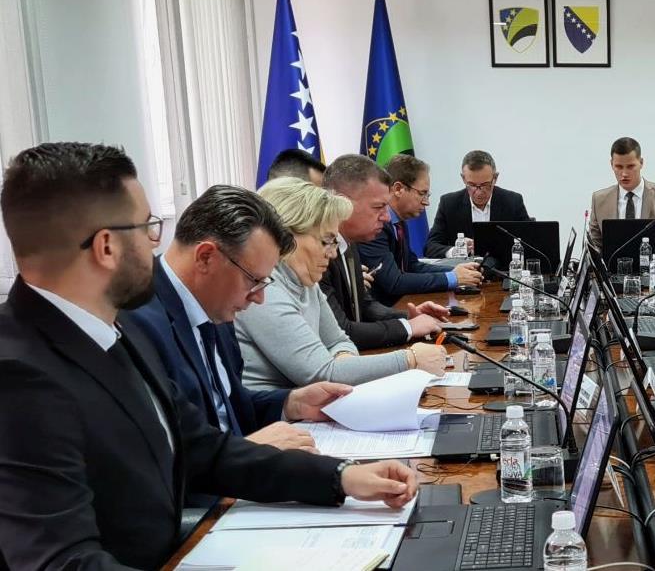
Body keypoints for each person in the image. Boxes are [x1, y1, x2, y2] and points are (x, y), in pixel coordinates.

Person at [0, 142, 417, 569]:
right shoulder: (19, 377)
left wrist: (341, 477)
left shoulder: (112, 328)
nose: (156, 243)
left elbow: (203, 449)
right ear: (106, 247)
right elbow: (62, 561)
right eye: (147, 227)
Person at [130, 185, 355, 455]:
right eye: (253, 281)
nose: (259, 298)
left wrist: (290, 403)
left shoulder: (217, 306)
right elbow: (161, 455)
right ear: (205, 257)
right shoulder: (137, 323)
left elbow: (227, 408)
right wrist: (248, 450)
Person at [236, 178, 447, 389]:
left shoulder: (307, 283)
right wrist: (409, 359)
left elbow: (339, 341)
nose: (333, 253)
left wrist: (343, 365)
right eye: (326, 241)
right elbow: (322, 373)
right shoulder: (265, 292)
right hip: (273, 409)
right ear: (286, 236)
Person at [322, 154, 450, 350]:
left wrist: (409, 316)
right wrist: (408, 327)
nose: (386, 217)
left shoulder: (350, 242)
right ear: (342, 204)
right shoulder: (318, 254)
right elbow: (342, 331)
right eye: (378, 207)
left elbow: (366, 305)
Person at [358, 154, 483, 306]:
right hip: (383, 311)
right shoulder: (376, 226)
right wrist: (453, 278)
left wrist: (455, 270)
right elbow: (394, 282)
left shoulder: (399, 223)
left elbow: (412, 266)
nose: (427, 202)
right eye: (422, 193)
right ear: (398, 189)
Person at [425, 150, 531, 258]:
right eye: (472, 185)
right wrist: (455, 251)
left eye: (485, 185)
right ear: (463, 179)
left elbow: (530, 242)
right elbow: (430, 246)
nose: (479, 192)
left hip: (502, 266)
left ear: (495, 178)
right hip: (464, 267)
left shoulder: (513, 201)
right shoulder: (449, 204)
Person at [586, 136, 655, 249]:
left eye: (630, 166)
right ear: (611, 164)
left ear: (641, 163)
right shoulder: (599, 200)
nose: (624, 174)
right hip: (612, 260)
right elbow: (594, 246)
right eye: (619, 167)